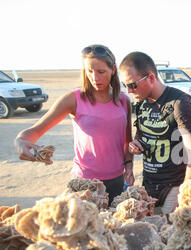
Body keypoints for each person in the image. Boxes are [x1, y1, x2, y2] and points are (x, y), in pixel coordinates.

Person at [14, 44, 134, 205]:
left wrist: (129, 166)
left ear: (113, 70)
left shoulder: (123, 100)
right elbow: (35, 131)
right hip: (85, 182)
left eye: (101, 72)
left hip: (117, 180)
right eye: (89, 71)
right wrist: (20, 141)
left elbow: (127, 141)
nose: (95, 78)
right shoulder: (74, 98)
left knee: (115, 227)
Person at [118, 52, 191, 216]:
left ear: (150, 77)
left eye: (133, 85)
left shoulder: (180, 103)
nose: (128, 90)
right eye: (125, 85)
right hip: (149, 185)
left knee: (170, 235)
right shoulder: (141, 102)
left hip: (174, 187)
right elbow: (142, 134)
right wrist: (135, 145)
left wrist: (184, 195)